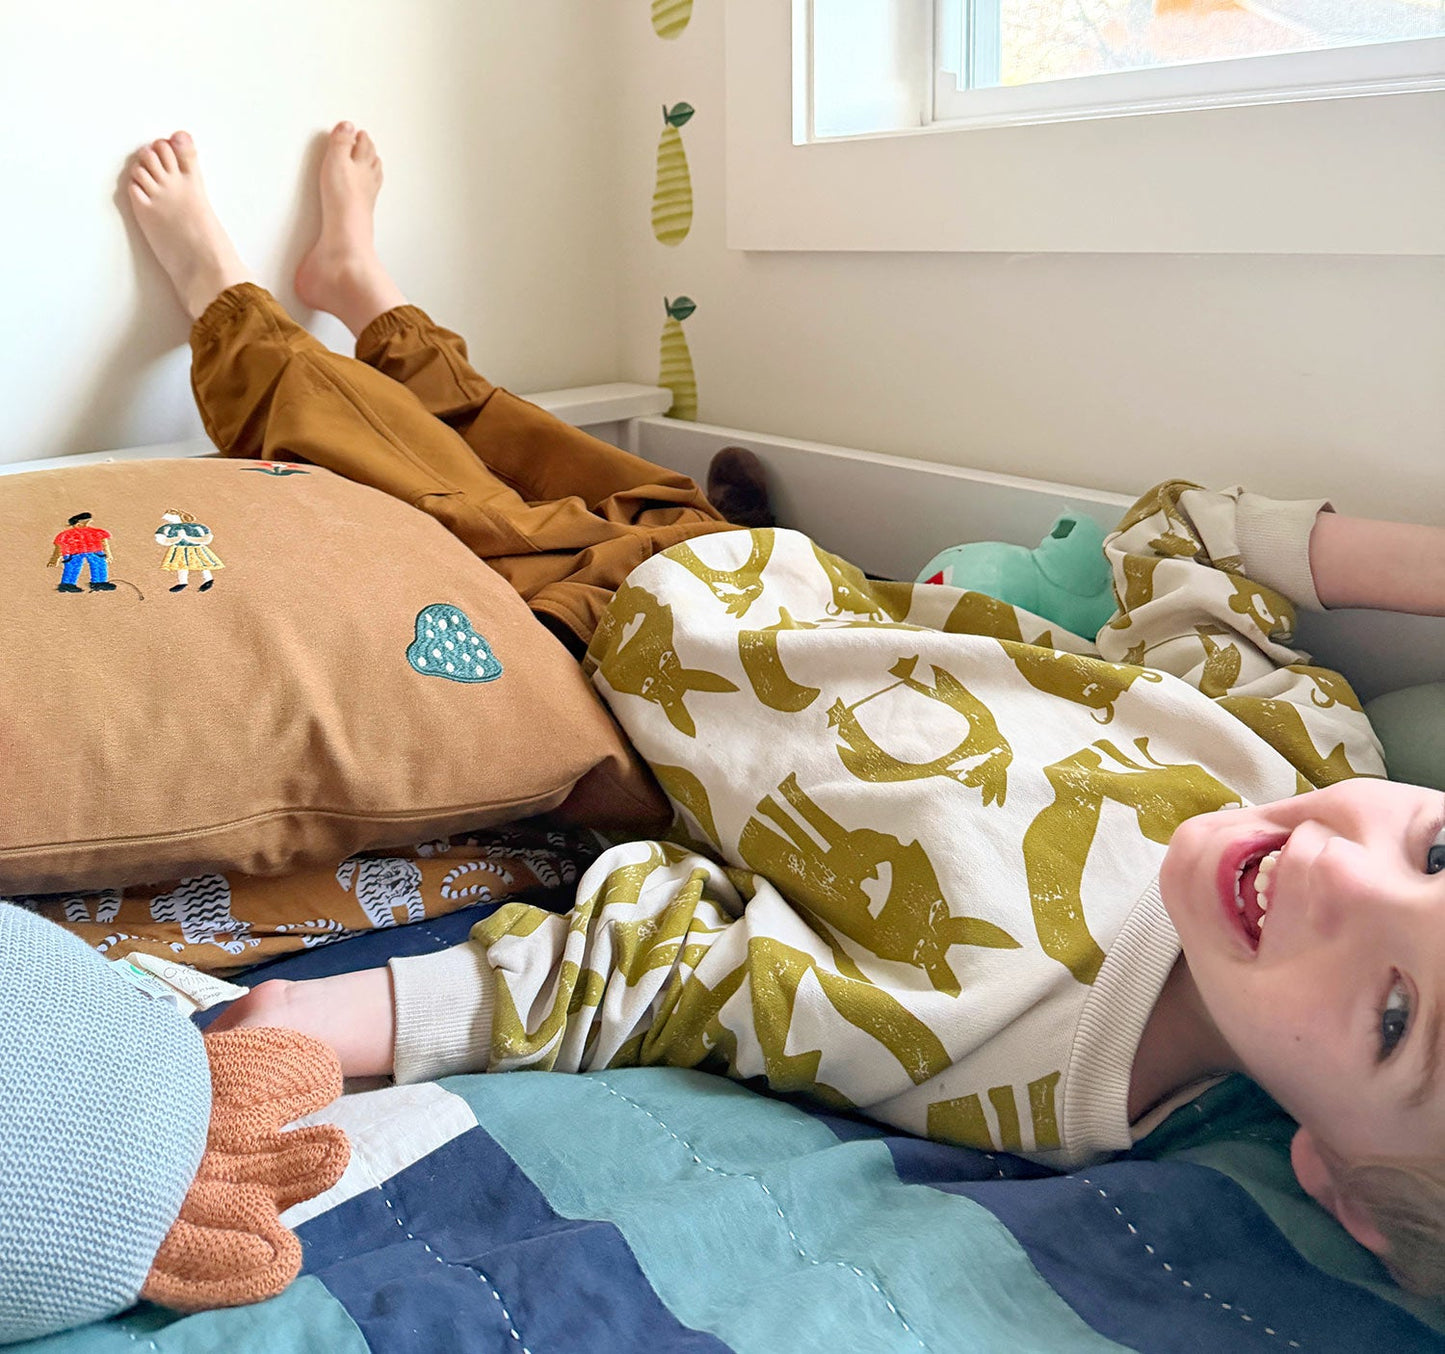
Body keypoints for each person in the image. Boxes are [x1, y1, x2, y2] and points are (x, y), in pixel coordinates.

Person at [127, 126, 1445, 1295]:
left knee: (370, 450)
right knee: (504, 423)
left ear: (1332, 1176)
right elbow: (1182, 545)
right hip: (758, 564)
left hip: (616, 649)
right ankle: (371, 297)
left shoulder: (1011, 1052)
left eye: (1395, 1015)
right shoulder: (1303, 748)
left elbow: (665, 974)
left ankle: (222, 298)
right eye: (1435, 853)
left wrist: (326, 1021)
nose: (1338, 868)